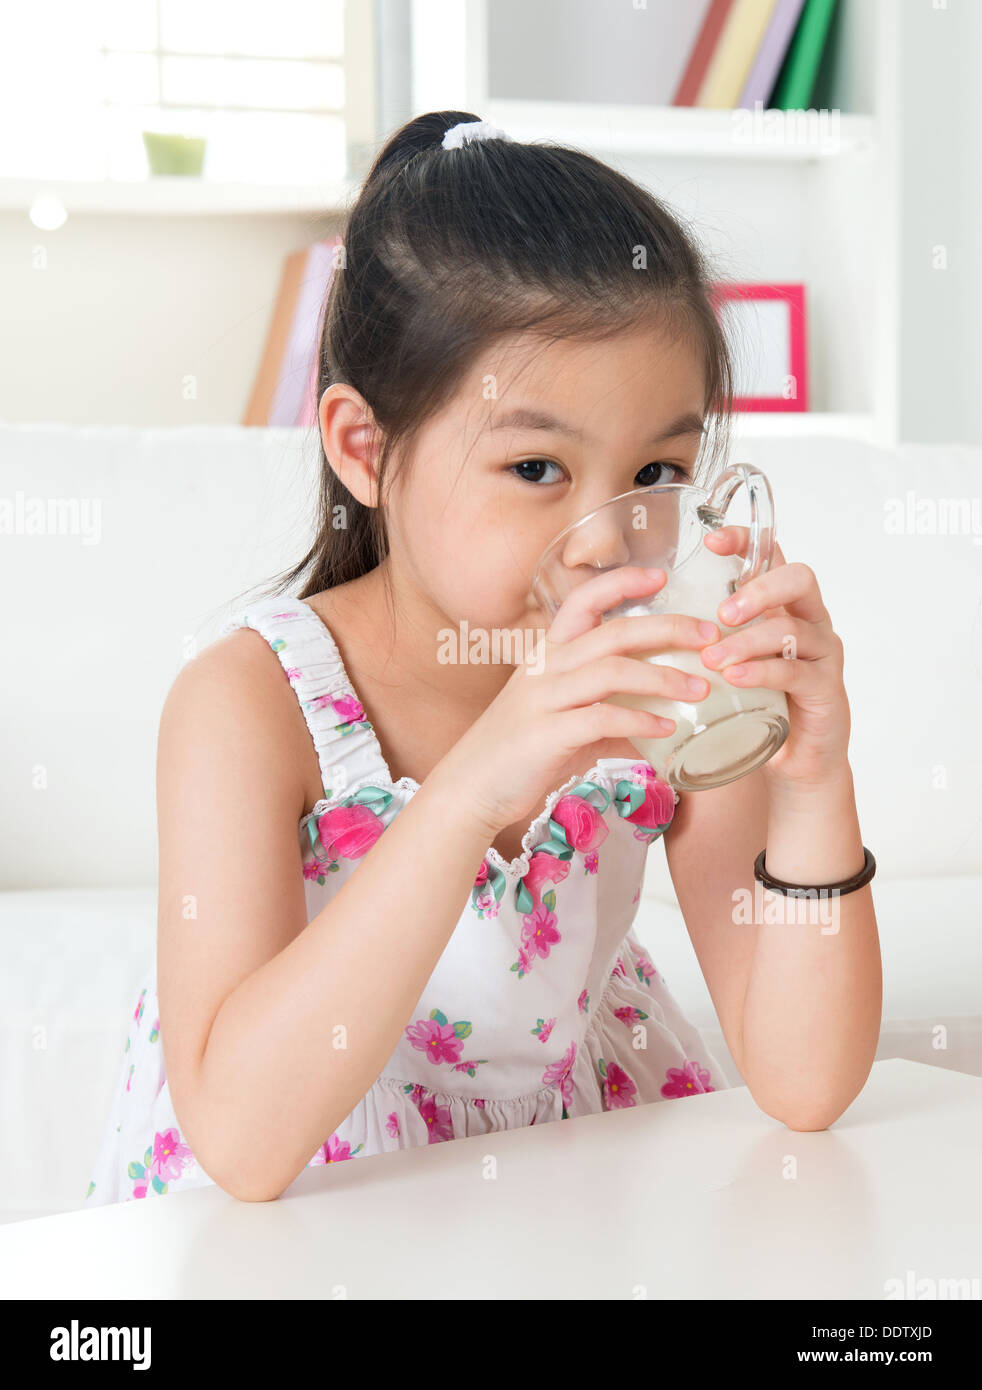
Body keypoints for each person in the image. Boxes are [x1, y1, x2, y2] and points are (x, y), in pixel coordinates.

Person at [85, 111, 879, 1207]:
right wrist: (469, 791)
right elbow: (239, 1137)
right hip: (315, 1214)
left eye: (657, 470)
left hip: (568, 1195)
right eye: (538, 469)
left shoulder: (662, 683)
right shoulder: (251, 703)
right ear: (365, 448)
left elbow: (803, 1081)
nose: (607, 536)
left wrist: (812, 786)